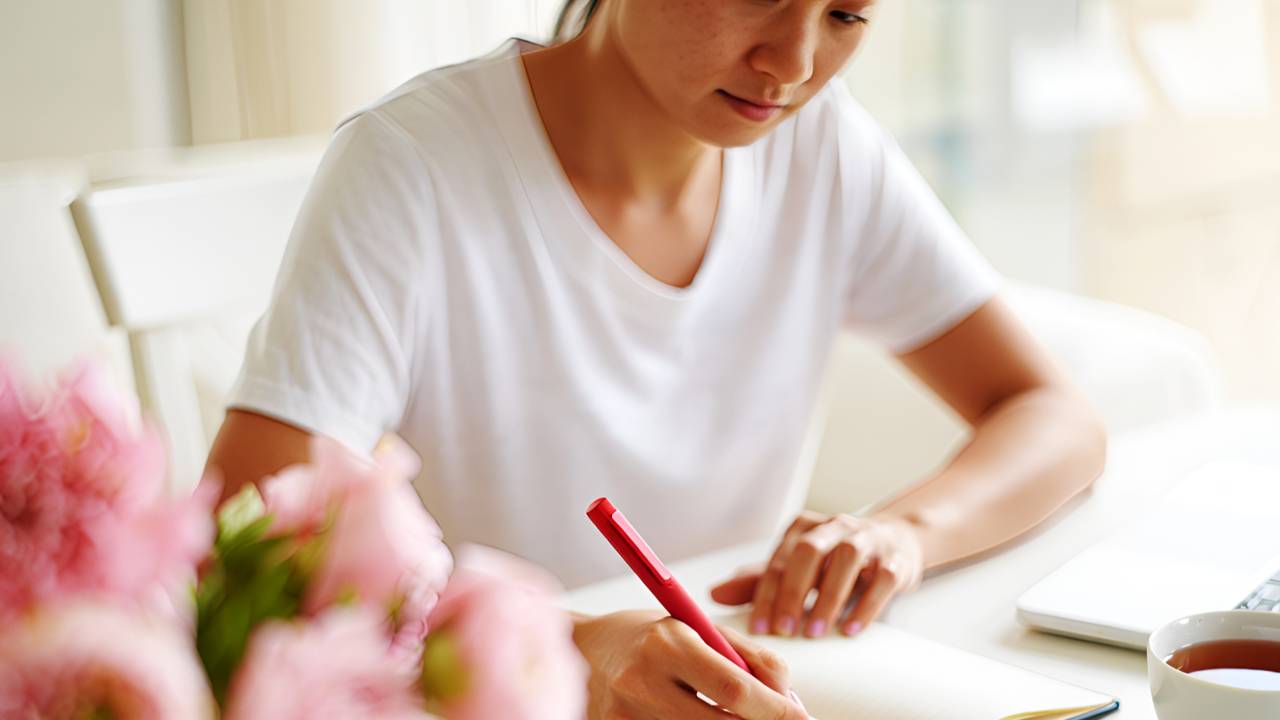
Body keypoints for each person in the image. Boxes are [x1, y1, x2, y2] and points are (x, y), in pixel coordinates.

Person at [205, 0, 1107, 717]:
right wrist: (578, 649)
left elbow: (1054, 415)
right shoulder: (414, 164)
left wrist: (901, 532)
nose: (793, 64)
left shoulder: (822, 146)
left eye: (846, 15)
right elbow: (249, 538)